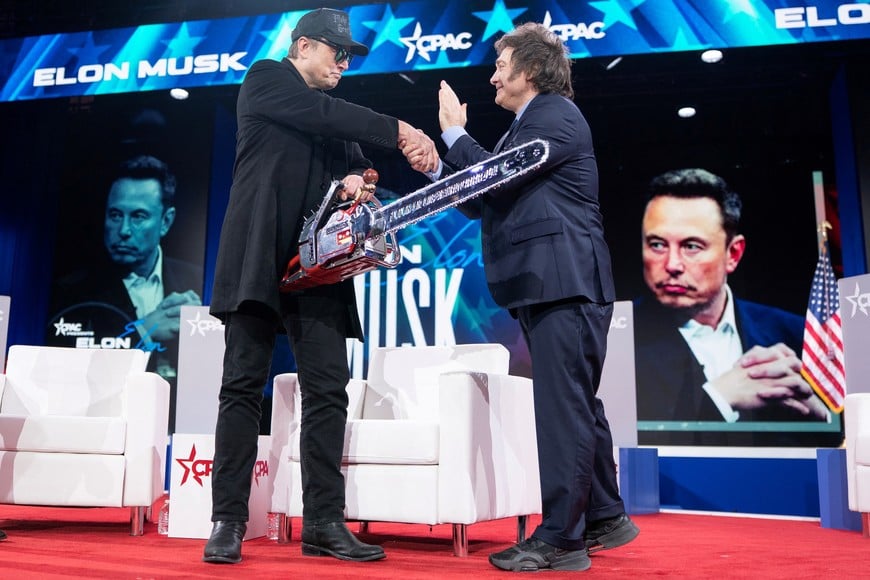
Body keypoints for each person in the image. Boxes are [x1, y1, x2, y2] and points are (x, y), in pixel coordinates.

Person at [203, 7, 437, 565]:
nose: (343, 64)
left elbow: (353, 156)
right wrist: (401, 130)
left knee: (329, 391)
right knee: (241, 387)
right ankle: (227, 521)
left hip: (319, 270)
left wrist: (362, 179)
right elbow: (323, 113)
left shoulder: (331, 118)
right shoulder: (266, 78)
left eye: (350, 57)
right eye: (338, 53)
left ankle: (325, 523)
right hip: (259, 257)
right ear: (303, 46)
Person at [421, 22, 638, 573]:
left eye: (501, 64)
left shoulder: (553, 117)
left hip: (565, 282)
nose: (493, 75)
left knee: (563, 409)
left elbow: (492, 180)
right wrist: (436, 163)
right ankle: (606, 515)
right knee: (575, 404)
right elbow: (483, 198)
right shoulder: (524, 127)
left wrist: (453, 134)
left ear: (532, 70)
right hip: (553, 285)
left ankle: (561, 540)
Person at [634, 168, 829, 428]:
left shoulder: (797, 334)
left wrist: (823, 420)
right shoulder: (616, 339)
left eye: (691, 246)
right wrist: (718, 399)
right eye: (657, 244)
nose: (672, 264)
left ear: (733, 254)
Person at [47, 154, 203, 430]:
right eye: (115, 215)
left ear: (166, 221)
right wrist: (143, 331)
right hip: (99, 426)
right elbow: (64, 374)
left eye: (139, 216)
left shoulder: (197, 281)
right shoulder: (71, 290)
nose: (124, 230)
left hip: (176, 428)